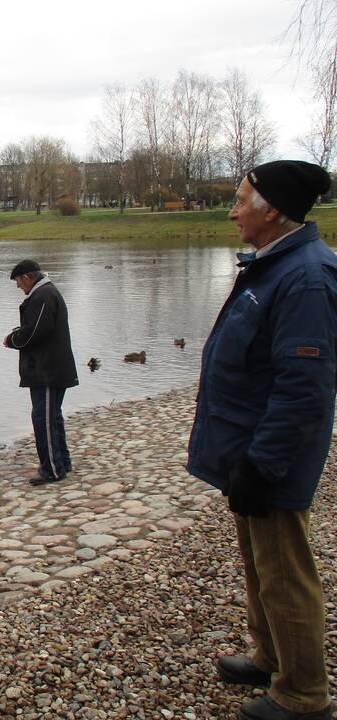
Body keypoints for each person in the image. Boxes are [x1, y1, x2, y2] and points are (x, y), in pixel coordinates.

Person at [186, 160, 335, 720]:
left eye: (241, 199)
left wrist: (264, 464)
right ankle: (270, 655)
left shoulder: (306, 278)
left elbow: (305, 391)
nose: (232, 209)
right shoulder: (274, 266)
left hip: (269, 460)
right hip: (247, 453)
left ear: (272, 209)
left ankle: (303, 696)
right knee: (259, 565)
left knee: (285, 574)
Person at [3, 259, 78, 485]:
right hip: (52, 368)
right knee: (52, 417)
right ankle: (62, 462)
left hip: (47, 370)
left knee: (43, 419)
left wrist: (12, 339)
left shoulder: (43, 295)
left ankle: (52, 470)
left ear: (28, 277)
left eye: (18, 280)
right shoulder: (46, 293)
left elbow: (34, 332)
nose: (18, 286)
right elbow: (39, 327)